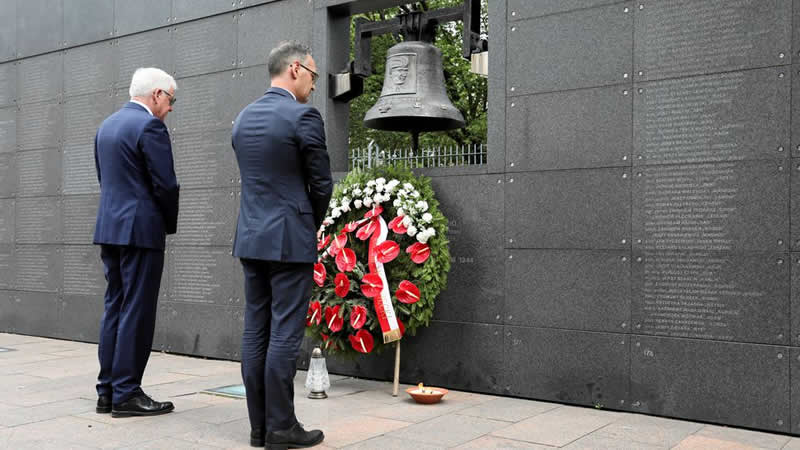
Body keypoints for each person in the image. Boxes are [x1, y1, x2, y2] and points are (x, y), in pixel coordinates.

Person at [232, 41, 332, 449]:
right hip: (289, 240)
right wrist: (307, 221)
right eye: (313, 73)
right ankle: (281, 427)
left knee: (256, 331)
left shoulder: (242, 119)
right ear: (294, 69)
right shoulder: (302, 116)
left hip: (251, 238)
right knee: (285, 335)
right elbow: (322, 184)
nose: (313, 83)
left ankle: (259, 427)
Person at [93, 67, 180, 418]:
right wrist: (166, 224)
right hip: (141, 231)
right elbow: (166, 185)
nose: (171, 108)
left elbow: (106, 179)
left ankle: (107, 391)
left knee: (115, 305)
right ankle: (127, 392)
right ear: (157, 94)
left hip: (110, 228)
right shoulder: (150, 126)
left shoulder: (106, 126)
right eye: (171, 99)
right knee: (137, 310)